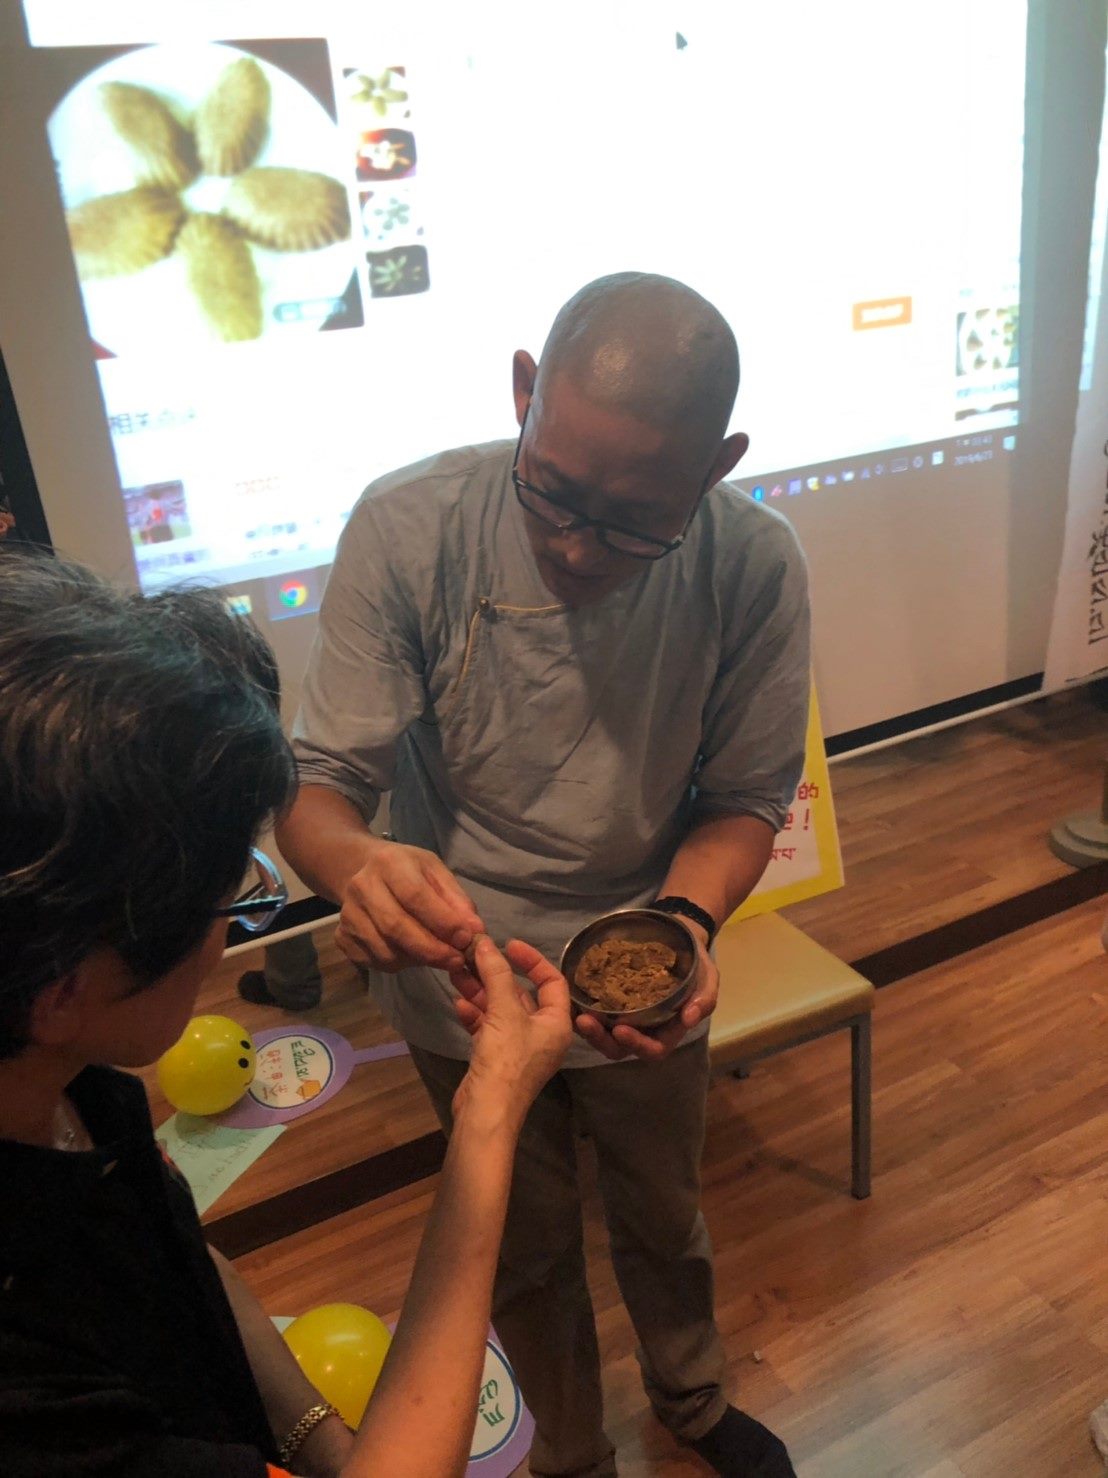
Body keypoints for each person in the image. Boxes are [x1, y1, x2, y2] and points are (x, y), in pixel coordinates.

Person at [278, 272, 810, 1478]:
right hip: (460, 974)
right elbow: (316, 786)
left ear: (716, 466)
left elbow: (741, 798)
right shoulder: (409, 525)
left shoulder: (754, 563)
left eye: (634, 522)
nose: (578, 545)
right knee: (513, 1241)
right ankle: (571, 1453)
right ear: (524, 394)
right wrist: (357, 861)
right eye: (553, 493)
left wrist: (679, 920)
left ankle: (691, 1395)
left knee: (664, 1213)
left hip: (644, 964)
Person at [0, 547, 572, 1478]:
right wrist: (493, 1108)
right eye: (225, 902)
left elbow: (173, 1255)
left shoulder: (69, 1085)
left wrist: (317, 1437)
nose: (224, 938)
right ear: (63, 987)